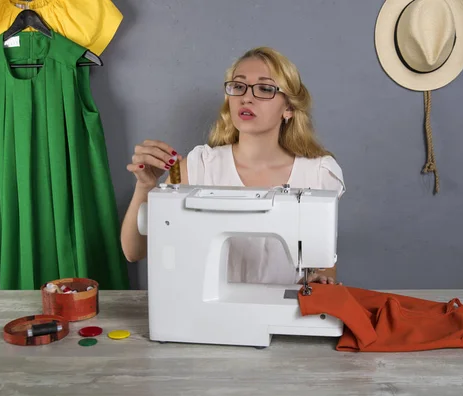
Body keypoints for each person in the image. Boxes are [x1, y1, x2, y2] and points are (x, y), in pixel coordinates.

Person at [120, 47, 345, 285]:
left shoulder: (319, 173)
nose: (246, 97)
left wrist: (321, 280)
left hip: (286, 311)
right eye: (238, 87)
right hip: (207, 315)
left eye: (265, 88)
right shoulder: (197, 167)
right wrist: (145, 187)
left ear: (288, 108)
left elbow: (324, 266)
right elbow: (134, 252)